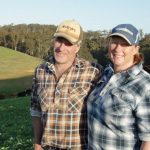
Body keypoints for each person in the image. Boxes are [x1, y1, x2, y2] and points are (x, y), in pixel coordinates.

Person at [30, 19, 101, 150]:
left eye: (68, 43)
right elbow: (36, 110)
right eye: (59, 40)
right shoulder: (40, 71)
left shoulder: (93, 72)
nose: (61, 48)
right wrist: (37, 143)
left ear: (77, 47)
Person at [87, 24, 150, 150]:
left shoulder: (145, 85)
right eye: (114, 42)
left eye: (125, 44)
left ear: (136, 49)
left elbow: (148, 140)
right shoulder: (106, 73)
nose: (117, 48)